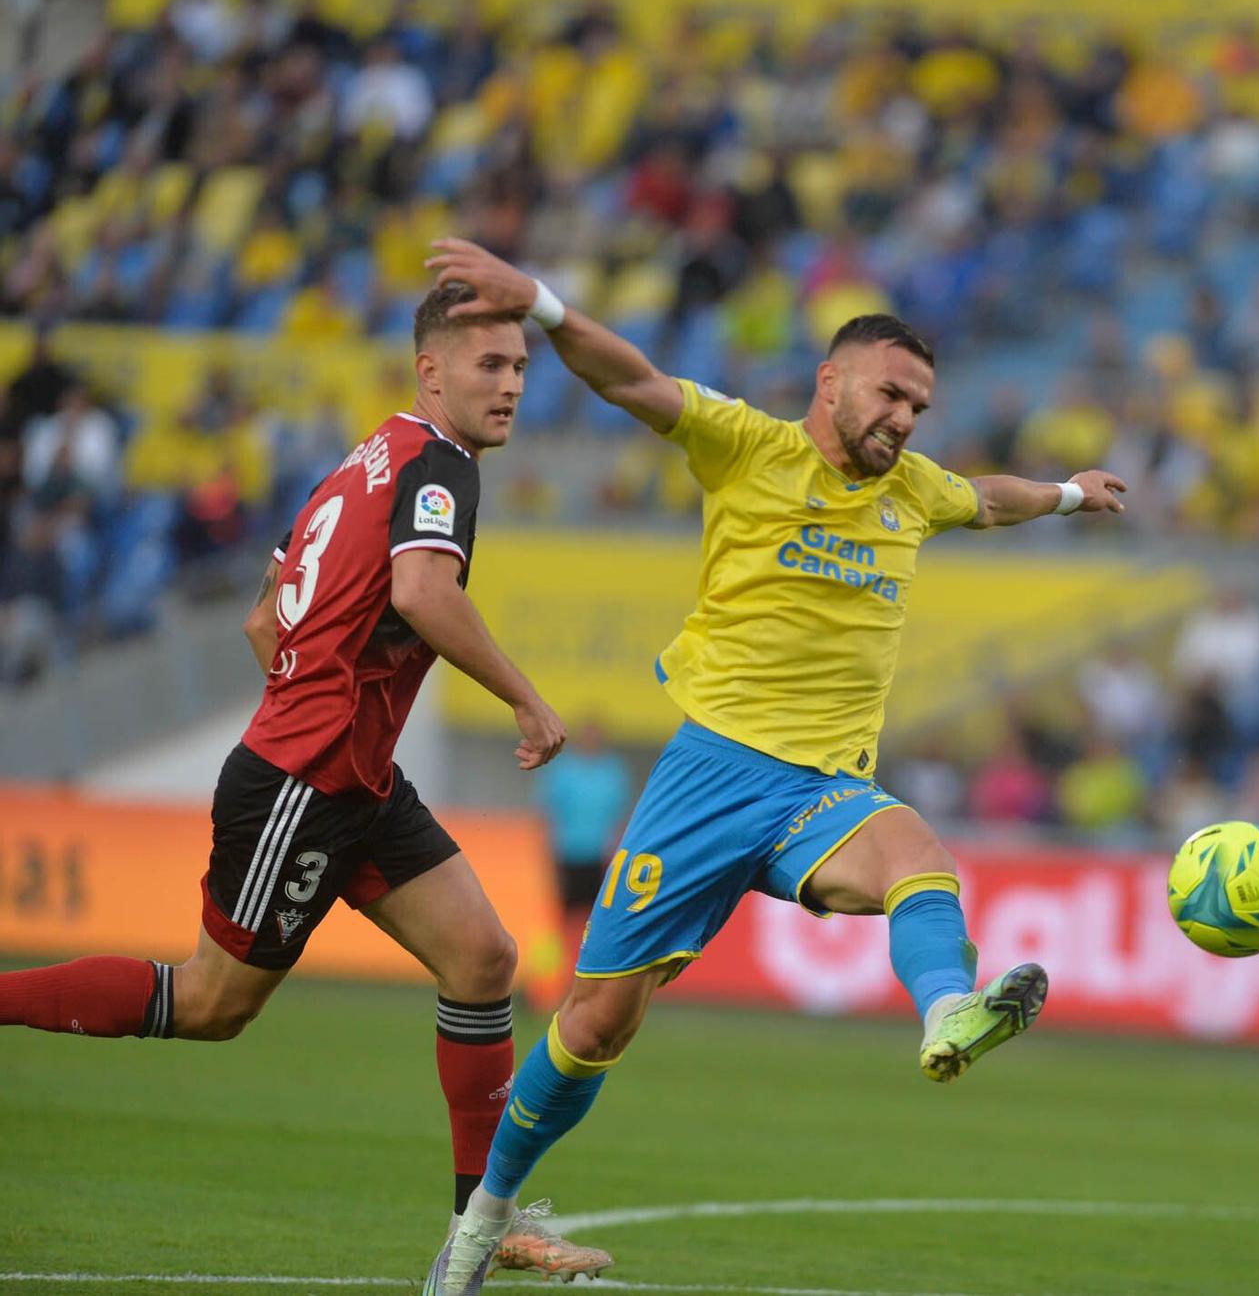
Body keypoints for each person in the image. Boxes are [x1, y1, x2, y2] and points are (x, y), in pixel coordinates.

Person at [418, 238, 1128, 1295]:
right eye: (891, 393)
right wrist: (549, 307)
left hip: (820, 792)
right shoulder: (748, 446)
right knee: (594, 1023)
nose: (903, 418)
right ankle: (479, 1224)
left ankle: (947, 1013)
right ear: (829, 383)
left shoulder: (915, 492)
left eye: (919, 407)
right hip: (708, 779)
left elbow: (989, 496)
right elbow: (634, 381)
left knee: (921, 861)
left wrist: (1067, 493)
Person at [0, 282, 611, 1283]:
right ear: (431, 371)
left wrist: (318, 697)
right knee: (208, 1003)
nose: (510, 386)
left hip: (348, 775)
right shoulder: (440, 467)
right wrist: (526, 699)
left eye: (519, 368)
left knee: (484, 958)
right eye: (489, 366)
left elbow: (261, 618)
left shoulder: (363, 458)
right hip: (308, 777)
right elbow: (420, 589)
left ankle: (481, 1221)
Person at [535, 719, 632, 959]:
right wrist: (548, 852)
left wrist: (616, 854)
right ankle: (553, 979)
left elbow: (620, 817)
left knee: (599, 920)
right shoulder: (564, 771)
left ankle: (590, 969)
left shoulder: (613, 772)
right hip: (567, 853)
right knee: (560, 920)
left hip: (600, 857)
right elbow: (549, 813)